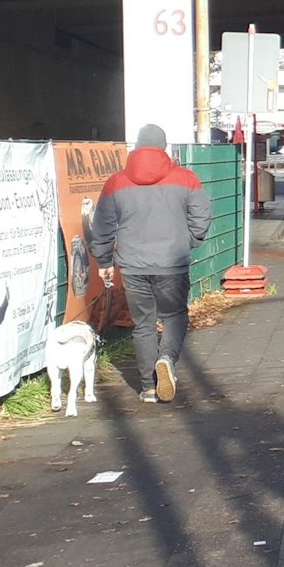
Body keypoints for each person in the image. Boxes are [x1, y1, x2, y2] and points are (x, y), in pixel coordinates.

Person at [91, 125, 212, 404]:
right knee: (174, 316)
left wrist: (104, 260)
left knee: (143, 325)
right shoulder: (186, 178)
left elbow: (103, 226)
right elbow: (201, 217)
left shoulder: (116, 182)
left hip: (133, 265)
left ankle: (147, 387)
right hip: (172, 262)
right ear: (164, 147)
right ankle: (166, 358)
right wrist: (189, 240)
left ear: (136, 147)